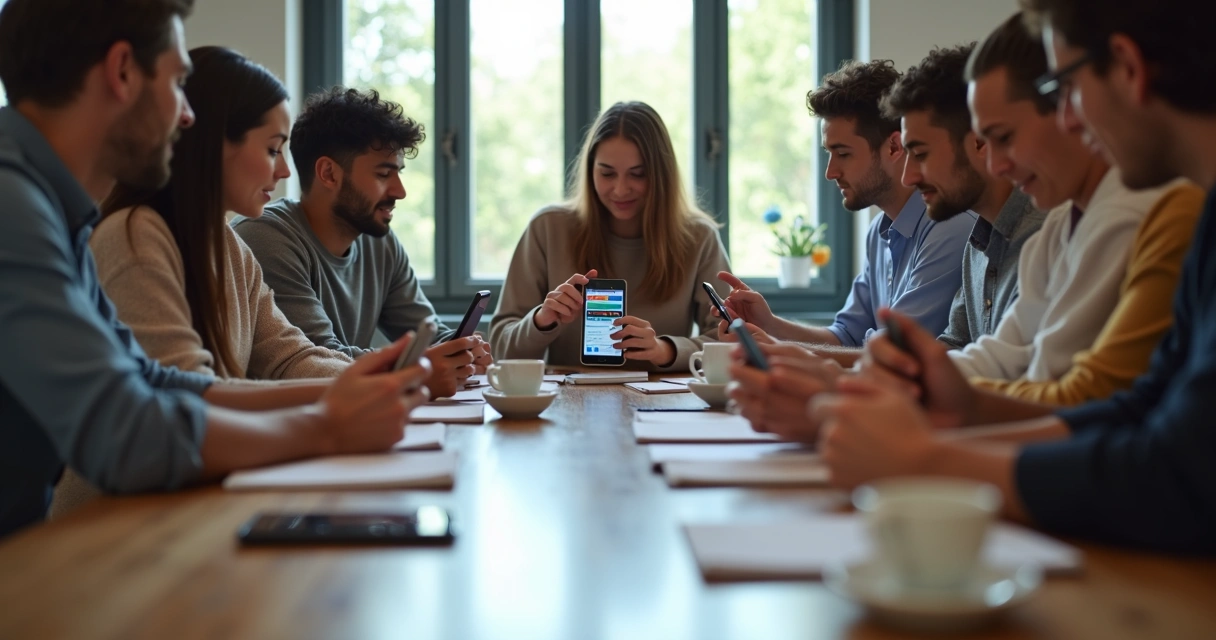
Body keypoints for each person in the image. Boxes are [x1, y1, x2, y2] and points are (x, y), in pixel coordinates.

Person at [768, 0, 1216, 553]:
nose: (1070, 119)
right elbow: (1137, 409)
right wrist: (939, 410)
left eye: (1066, 91)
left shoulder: (1150, 209)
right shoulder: (1115, 220)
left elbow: (1168, 463)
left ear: (1127, 67)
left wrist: (923, 451)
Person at [0, 0, 429, 539]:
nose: (186, 116)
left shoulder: (57, 211)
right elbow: (127, 432)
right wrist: (325, 426)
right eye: (179, 82)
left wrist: (349, 387)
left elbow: (156, 381)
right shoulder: (17, 208)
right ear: (123, 71)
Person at [935, 15, 1202, 405]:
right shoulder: (1059, 226)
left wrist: (925, 393)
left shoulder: (1134, 212)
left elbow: (1069, 392)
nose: (994, 166)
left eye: (1004, 137)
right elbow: (1009, 355)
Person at [95, 46, 352, 381]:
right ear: (215, 143)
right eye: (273, 149)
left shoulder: (229, 245)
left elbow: (289, 356)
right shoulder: (135, 236)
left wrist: (384, 380)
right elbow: (191, 398)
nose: (284, 171)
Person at [715, 59, 976, 368]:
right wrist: (770, 324)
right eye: (829, 154)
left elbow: (892, 357)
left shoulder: (950, 225)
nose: (830, 172)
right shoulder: (879, 232)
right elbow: (846, 337)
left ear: (894, 147)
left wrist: (777, 348)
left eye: (843, 154)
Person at [234, 87, 489, 398]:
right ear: (328, 173)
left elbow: (428, 335)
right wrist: (418, 367)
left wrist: (463, 348)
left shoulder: (379, 241)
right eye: (384, 174)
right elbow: (314, 361)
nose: (400, 191)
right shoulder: (266, 238)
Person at [489, 101, 731, 371]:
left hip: (660, 407)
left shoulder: (698, 237)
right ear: (590, 170)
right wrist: (540, 321)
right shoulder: (548, 228)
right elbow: (500, 350)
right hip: (568, 404)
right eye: (606, 173)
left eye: (637, 174)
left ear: (662, 176)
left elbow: (729, 342)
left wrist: (664, 350)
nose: (620, 189)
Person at [880, 43, 1044, 351]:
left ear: (980, 143)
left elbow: (1011, 378)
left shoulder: (1044, 236)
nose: (908, 177)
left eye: (921, 154)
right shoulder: (978, 243)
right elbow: (953, 349)